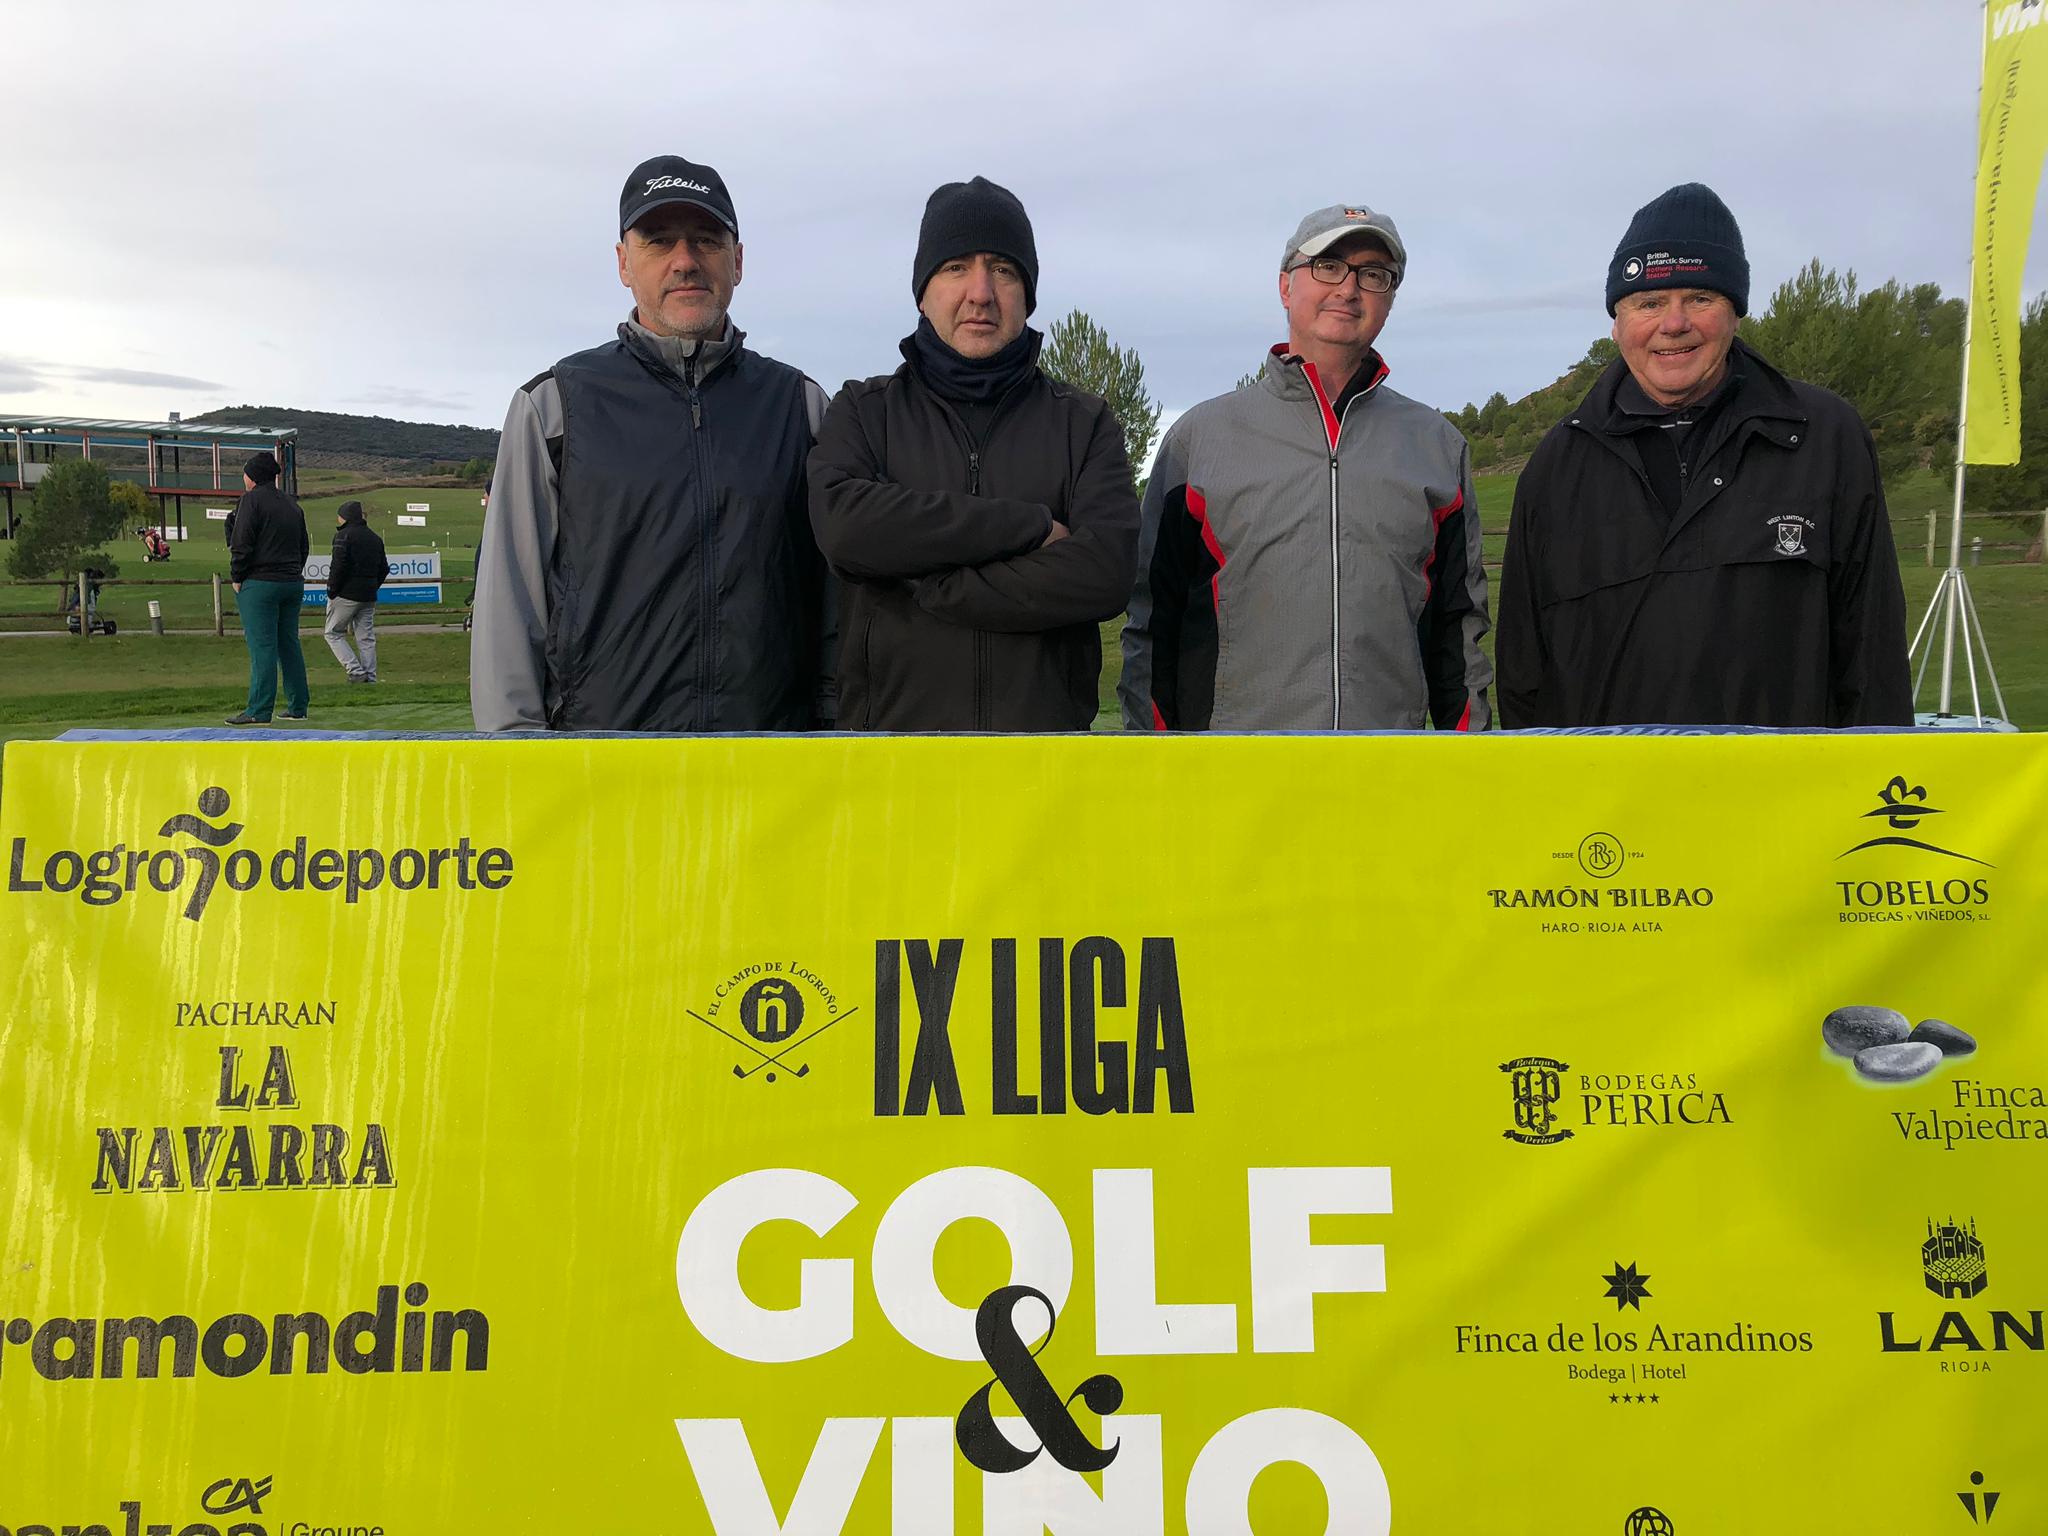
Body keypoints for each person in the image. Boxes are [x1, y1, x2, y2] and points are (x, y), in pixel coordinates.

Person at [1495, 183, 1912, 728]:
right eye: (1649, 302)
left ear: (1734, 311)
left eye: (1699, 297)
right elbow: (1524, 673)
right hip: (1613, 805)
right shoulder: (1557, 464)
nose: (1673, 324)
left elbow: (1872, 651)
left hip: (1780, 799)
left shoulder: (1824, 437)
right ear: (1617, 323)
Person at [471, 153, 833, 732]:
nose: (685, 262)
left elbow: (836, 608)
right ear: (623, 263)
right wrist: (514, 757)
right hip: (601, 771)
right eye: (659, 241)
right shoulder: (554, 407)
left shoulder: (803, 406)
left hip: (769, 770)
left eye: (707, 241)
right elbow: (509, 609)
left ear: (737, 261)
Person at [1120, 204, 1491, 732]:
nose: (1349, 287)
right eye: (1328, 265)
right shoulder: (1199, 441)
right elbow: (1152, 624)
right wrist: (1153, 762)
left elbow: (1459, 631)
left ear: (1390, 299)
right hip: (1236, 778)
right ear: (1284, 285)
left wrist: (1470, 760)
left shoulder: (1436, 446)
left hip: (1385, 775)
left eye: (1374, 274)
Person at [808, 176, 1139, 730]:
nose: (981, 292)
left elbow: (1105, 572)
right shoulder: (864, 411)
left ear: (1028, 295)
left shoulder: (1083, 423)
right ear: (923, 290)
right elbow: (846, 529)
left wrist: (939, 585)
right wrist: (1030, 527)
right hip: (893, 771)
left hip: (1045, 774)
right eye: (956, 267)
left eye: (1003, 270)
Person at [225, 451, 310, 725]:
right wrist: (294, 571)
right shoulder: (292, 504)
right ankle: (298, 706)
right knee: (289, 643)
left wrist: (237, 576)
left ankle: (259, 710)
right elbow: (303, 546)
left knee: (262, 647)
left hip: (260, 584)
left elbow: (241, 542)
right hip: (291, 582)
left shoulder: (250, 501)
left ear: (252, 477)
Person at [323, 499, 390, 684]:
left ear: (345, 517)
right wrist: (372, 586)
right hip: (368, 595)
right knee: (366, 637)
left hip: (346, 594)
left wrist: (332, 589)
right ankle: (370, 677)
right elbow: (384, 568)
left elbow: (338, 566)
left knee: (332, 633)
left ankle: (355, 670)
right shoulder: (375, 538)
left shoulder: (343, 536)